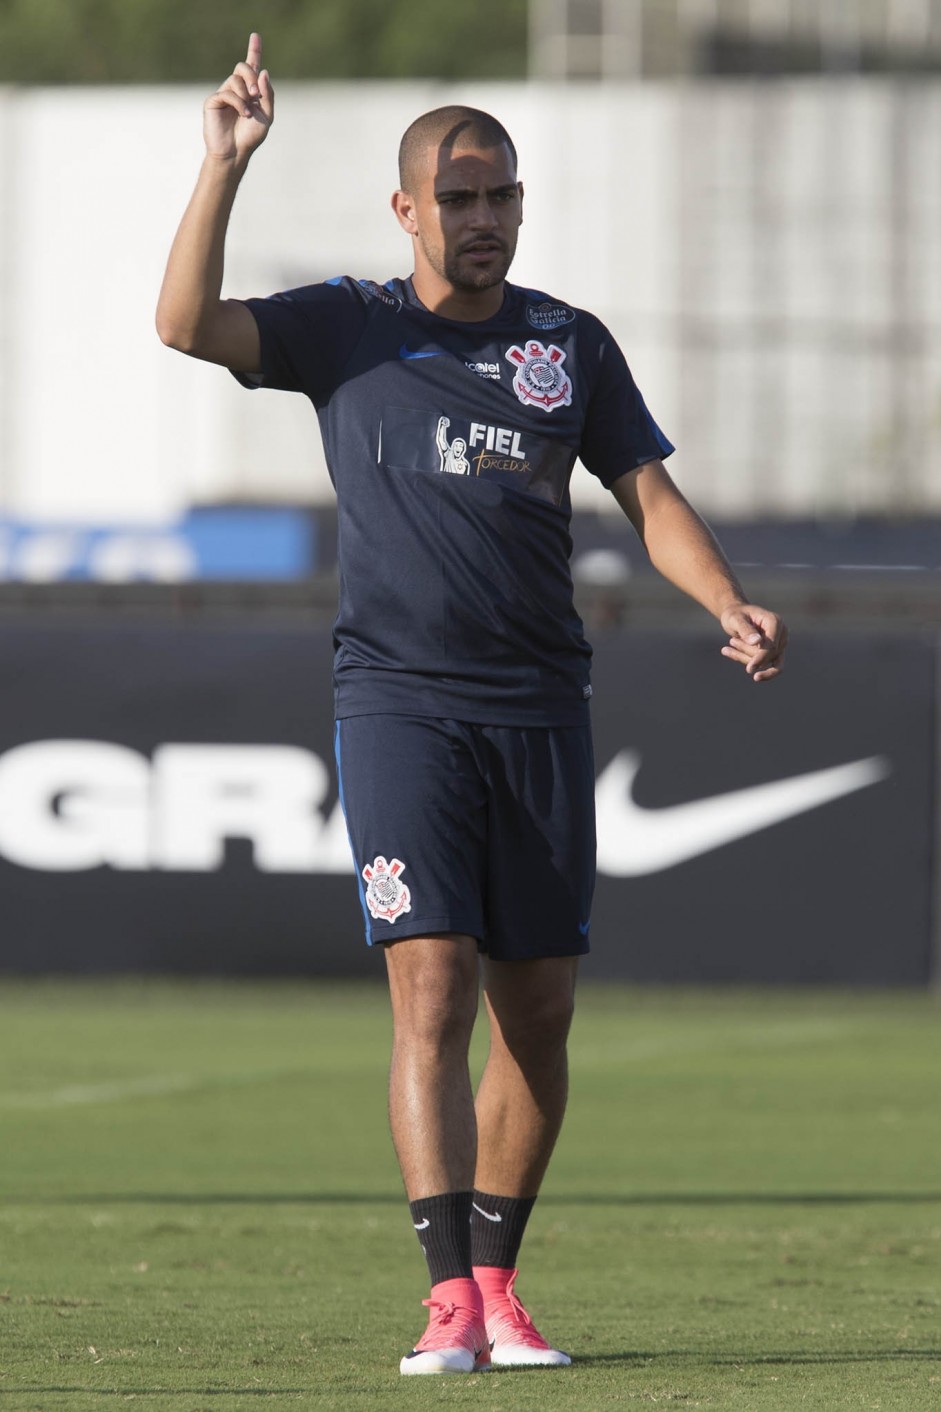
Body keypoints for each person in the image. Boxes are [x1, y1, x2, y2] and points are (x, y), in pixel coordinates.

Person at [156, 33, 788, 1377]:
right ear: (406, 210)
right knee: (429, 992)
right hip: (396, 703)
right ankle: (446, 1300)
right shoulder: (349, 326)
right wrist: (221, 169)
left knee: (539, 1015)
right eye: (458, 198)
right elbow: (183, 327)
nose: (484, 218)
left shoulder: (565, 344)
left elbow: (647, 496)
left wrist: (724, 601)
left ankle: (500, 1284)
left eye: (501, 195)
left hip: (538, 706)